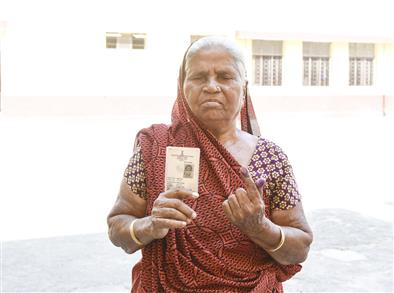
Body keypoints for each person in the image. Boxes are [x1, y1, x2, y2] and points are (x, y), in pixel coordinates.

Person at [107, 36, 313, 292]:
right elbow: (118, 227)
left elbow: (300, 248)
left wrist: (260, 228)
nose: (212, 87)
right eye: (199, 77)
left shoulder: (270, 158)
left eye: (225, 77)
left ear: (244, 87)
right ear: (182, 85)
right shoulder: (156, 147)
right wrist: (151, 224)